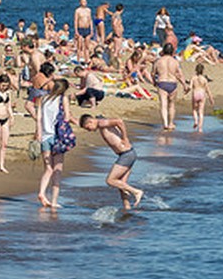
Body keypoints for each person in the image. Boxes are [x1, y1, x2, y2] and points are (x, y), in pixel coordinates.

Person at [79, 114, 144, 209]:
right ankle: (127, 207)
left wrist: (125, 138)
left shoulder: (101, 123)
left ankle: (136, 192)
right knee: (121, 184)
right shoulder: (101, 123)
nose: (89, 130)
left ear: (90, 121)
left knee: (110, 180)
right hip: (127, 154)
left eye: (88, 128)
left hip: (126, 155)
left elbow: (119, 121)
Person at [36, 78, 72, 208]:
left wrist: (39, 132)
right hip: (58, 137)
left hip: (45, 136)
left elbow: (38, 117)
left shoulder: (44, 98)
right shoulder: (63, 99)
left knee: (48, 168)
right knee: (57, 169)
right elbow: (66, 117)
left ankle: (41, 192)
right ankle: (55, 201)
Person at [151, 43, 186, 131]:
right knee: (171, 105)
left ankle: (165, 123)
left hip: (162, 82)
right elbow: (180, 74)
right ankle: (171, 123)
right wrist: (184, 85)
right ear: (172, 51)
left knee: (163, 104)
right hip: (172, 83)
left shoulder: (158, 61)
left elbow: (153, 73)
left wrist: (154, 81)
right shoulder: (175, 62)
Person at [188, 63, 215, 132]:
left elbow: (190, 87)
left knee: (194, 109)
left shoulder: (193, 78)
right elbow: (207, 90)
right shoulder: (204, 79)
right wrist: (211, 98)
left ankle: (196, 121)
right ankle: (200, 128)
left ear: (196, 70)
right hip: (202, 94)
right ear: (203, 70)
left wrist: (186, 91)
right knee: (201, 112)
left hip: (195, 93)